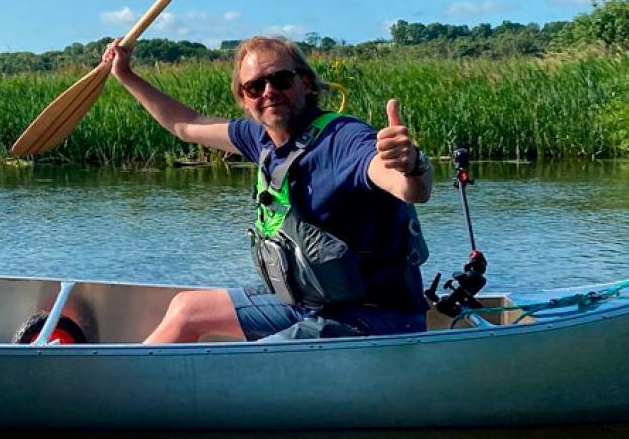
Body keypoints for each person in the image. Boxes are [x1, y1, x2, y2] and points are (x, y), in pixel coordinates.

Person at [102, 35, 433, 343]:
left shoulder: (342, 139)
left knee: (249, 362)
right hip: (313, 305)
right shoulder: (259, 137)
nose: (268, 92)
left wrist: (411, 165)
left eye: (281, 79)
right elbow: (185, 125)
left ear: (305, 83)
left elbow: (406, 188)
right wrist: (126, 75)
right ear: (244, 99)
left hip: (376, 319)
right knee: (186, 310)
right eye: (255, 86)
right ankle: (124, 390)